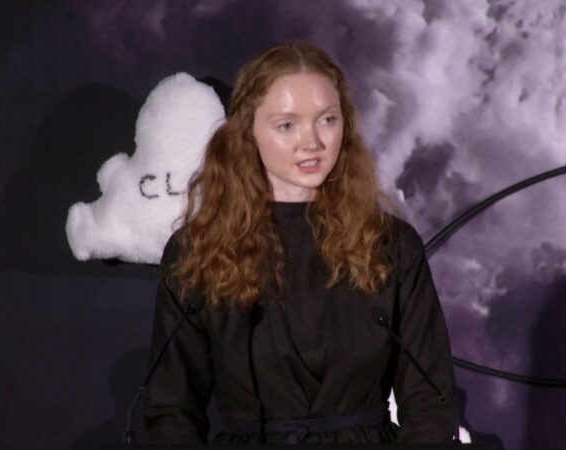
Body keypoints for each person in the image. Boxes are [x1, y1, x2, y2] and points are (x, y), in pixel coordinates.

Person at [144, 42, 458, 444]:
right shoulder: (198, 252)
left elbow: (431, 402)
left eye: (327, 119)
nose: (312, 142)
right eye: (287, 125)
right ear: (247, 132)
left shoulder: (391, 246)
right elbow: (172, 409)